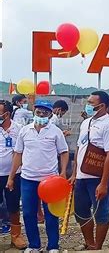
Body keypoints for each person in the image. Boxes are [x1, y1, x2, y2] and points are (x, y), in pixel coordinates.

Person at [8, 100, 69, 253]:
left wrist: (62, 172)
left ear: (50, 114)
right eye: (38, 112)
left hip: (50, 180)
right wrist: (11, 177)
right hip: (28, 179)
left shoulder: (55, 131)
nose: (41, 115)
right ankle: (34, 245)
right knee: (28, 213)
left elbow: (64, 152)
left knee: (51, 214)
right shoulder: (25, 130)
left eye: (45, 113)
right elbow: (18, 154)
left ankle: (53, 246)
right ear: (34, 112)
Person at [70, 91, 109, 250]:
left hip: (97, 177)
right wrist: (74, 174)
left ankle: (97, 246)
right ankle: (89, 242)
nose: (88, 105)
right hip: (81, 176)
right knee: (80, 211)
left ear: (102, 106)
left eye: (91, 103)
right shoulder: (86, 123)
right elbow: (79, 148)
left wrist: (104, 183)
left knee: (100, 212)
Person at [0, 100, 27, 249]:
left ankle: (16, 235)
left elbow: (21, 152)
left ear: (7, 114)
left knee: (13, 206)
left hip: (13, 175)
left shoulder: (19, 129)